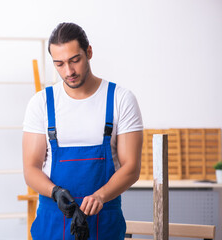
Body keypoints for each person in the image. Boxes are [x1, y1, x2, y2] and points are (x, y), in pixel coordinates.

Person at [22, 22, 143, 240]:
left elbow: (131, 167)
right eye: (59, 64)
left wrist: (100, 196)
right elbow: (31, 169)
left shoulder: (120, 99)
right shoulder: (41, 103)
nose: (68, 71)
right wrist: (55, 192)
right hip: (52, 224)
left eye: (74, 60)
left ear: (89, 52)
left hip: (103, 223)